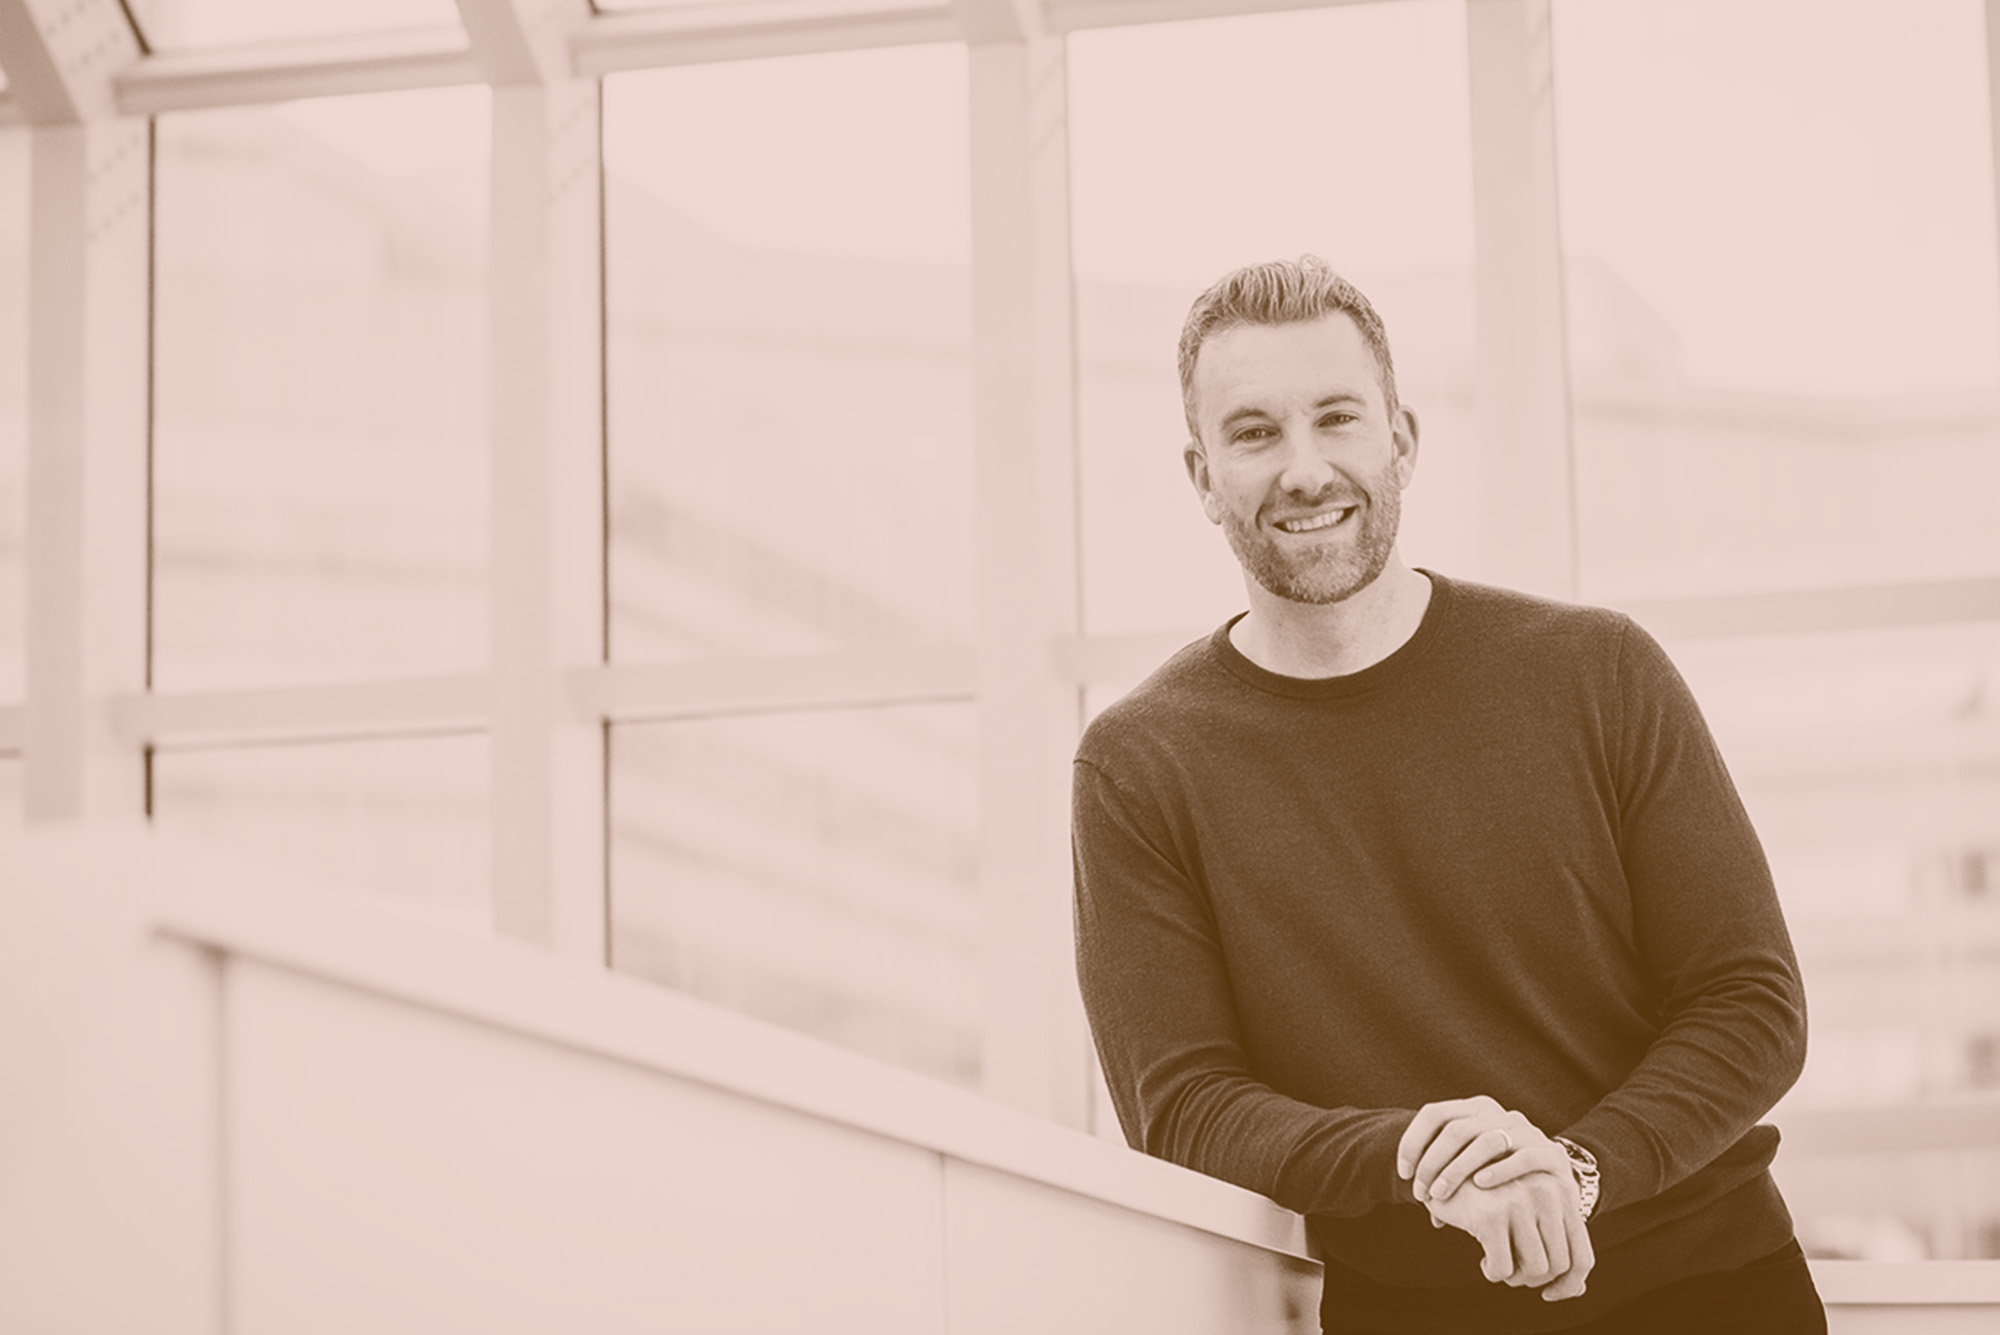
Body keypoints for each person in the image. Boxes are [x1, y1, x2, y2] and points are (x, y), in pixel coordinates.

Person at [1071, 255, 1823, 1334]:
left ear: (1402, 441)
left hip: (1709, 1291)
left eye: (1337, 418)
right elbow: (1180, 1104)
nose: (1303, 469)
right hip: (1408, 1313)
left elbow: (1750, 1004)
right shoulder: (1138, 765)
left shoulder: (1596, 670)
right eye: (1252, 433)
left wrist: (1572, 1172)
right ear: (1200, 478)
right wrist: (1424, 1156)